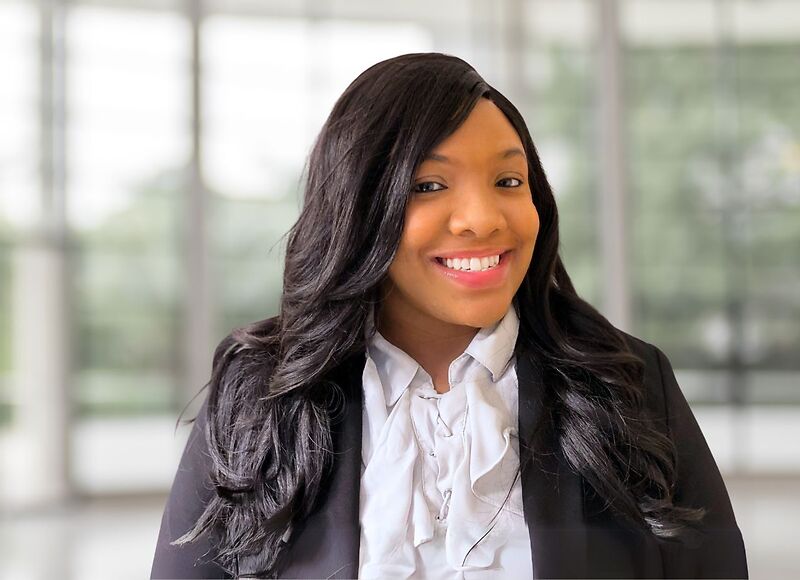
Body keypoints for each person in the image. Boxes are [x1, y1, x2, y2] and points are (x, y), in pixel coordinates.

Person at [150, 52, 748, 579]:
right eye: (430, 185)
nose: (483, 219)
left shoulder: (627, 384)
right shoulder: (262, 394)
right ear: (357, 207)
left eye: (508, 180)